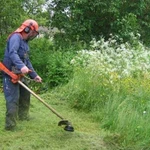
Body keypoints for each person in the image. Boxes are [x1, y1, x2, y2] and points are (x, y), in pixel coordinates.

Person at [2, 19, 42, 131]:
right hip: (10, 74)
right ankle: (10, 126)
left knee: (25, 95)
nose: (34, 35)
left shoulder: (25, 43)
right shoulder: (16, 37)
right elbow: (12, 53)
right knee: (12, 99)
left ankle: (23, 116)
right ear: (27, 29)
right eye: (34, 32)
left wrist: (34, 75)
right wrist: (21, 66)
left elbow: (27, 60)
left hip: (20, 74)